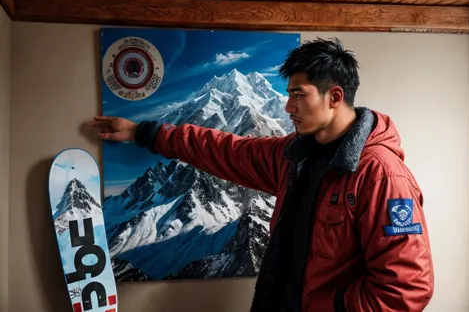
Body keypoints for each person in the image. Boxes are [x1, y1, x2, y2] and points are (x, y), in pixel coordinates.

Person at [90, 37, 434, 311]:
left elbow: (406, 288)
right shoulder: (292, 156)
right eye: (288, 95)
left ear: (335, 96)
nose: (288, 107)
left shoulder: (382, 176)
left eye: (298, 95)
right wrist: (143, 133)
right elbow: (222, 149)